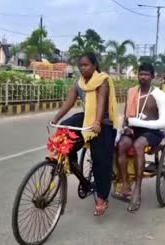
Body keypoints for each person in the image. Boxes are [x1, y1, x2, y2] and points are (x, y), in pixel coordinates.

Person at [51, 52, 119, 216]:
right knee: (65, 129)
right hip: (87, 118)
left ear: (94, 66)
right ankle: (74, 162)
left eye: (86, 65)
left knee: (100, 161)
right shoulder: (79, 83)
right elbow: (69, 102)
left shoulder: (102, 80)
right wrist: (56, 118)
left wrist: (96, 122)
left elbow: (101, 102)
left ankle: (102, 197)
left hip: (103, 122)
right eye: (80, 65)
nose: (82, 68)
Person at [115, 63, 165, 212]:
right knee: (121, 145)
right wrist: (127, 126)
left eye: (146, 74)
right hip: (134, 130)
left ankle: (137, 190)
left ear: (152, 76)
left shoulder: (160, 95)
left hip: (152, 132)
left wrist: (135, 122)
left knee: (138, 145)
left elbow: (163, 122)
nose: (143, 77)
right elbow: (127, 116)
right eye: (141, 74)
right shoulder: (132, 92)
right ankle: (125, 185)